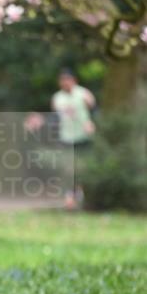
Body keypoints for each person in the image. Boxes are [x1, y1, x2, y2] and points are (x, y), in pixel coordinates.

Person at [51, 69, 96, 209]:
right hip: (66, 137)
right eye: (62, 80)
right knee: (68, 168)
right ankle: (70, 198)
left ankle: (79, 197)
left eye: (67, 80)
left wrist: (91, 122)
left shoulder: (84, 93)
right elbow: (56, 117)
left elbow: (95, 110)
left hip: (83, 136)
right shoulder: (57, 98)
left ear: (74, 80)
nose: (65, 83)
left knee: (83, 168)